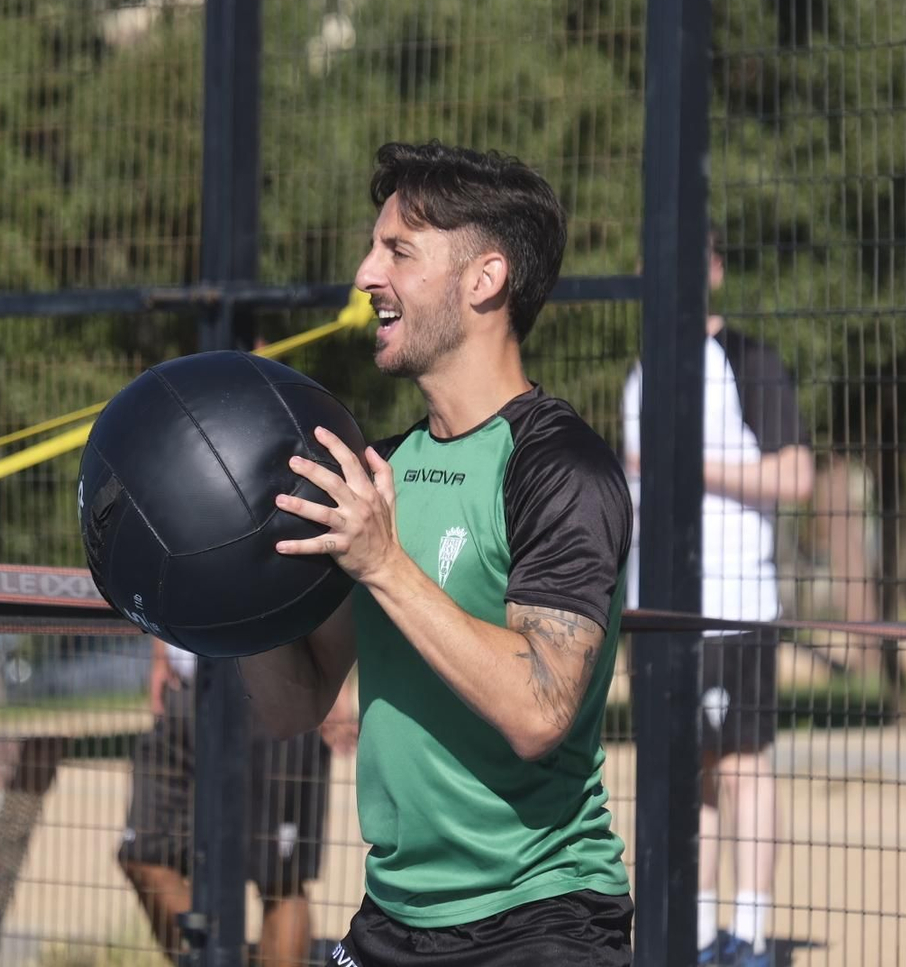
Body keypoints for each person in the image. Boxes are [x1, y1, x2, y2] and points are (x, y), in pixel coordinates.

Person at [238, 141, 635, 965]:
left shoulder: (560, 467)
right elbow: (293, 703)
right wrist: (227, 581)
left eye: (399, 251)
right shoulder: (383, 472)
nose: (365, 274)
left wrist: (385, 563)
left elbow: (539, 710)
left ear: (484, 279)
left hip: (540, 919)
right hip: (393, 914)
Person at [620, 224, 813, 967]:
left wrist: (688, 464)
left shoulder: (748, 361)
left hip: (734, 605)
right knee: (683, 771)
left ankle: (750, 933)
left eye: (690, 257)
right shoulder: (643, 371)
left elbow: (796, 475)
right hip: (658, 609)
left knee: (740, 765)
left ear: (716, 270)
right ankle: (697, 933)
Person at [119, 637, 357, 966]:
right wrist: (161, 654)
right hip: (187, 685)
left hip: (277, 683)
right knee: (142, 853)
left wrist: (334, 679)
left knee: (280, 879)